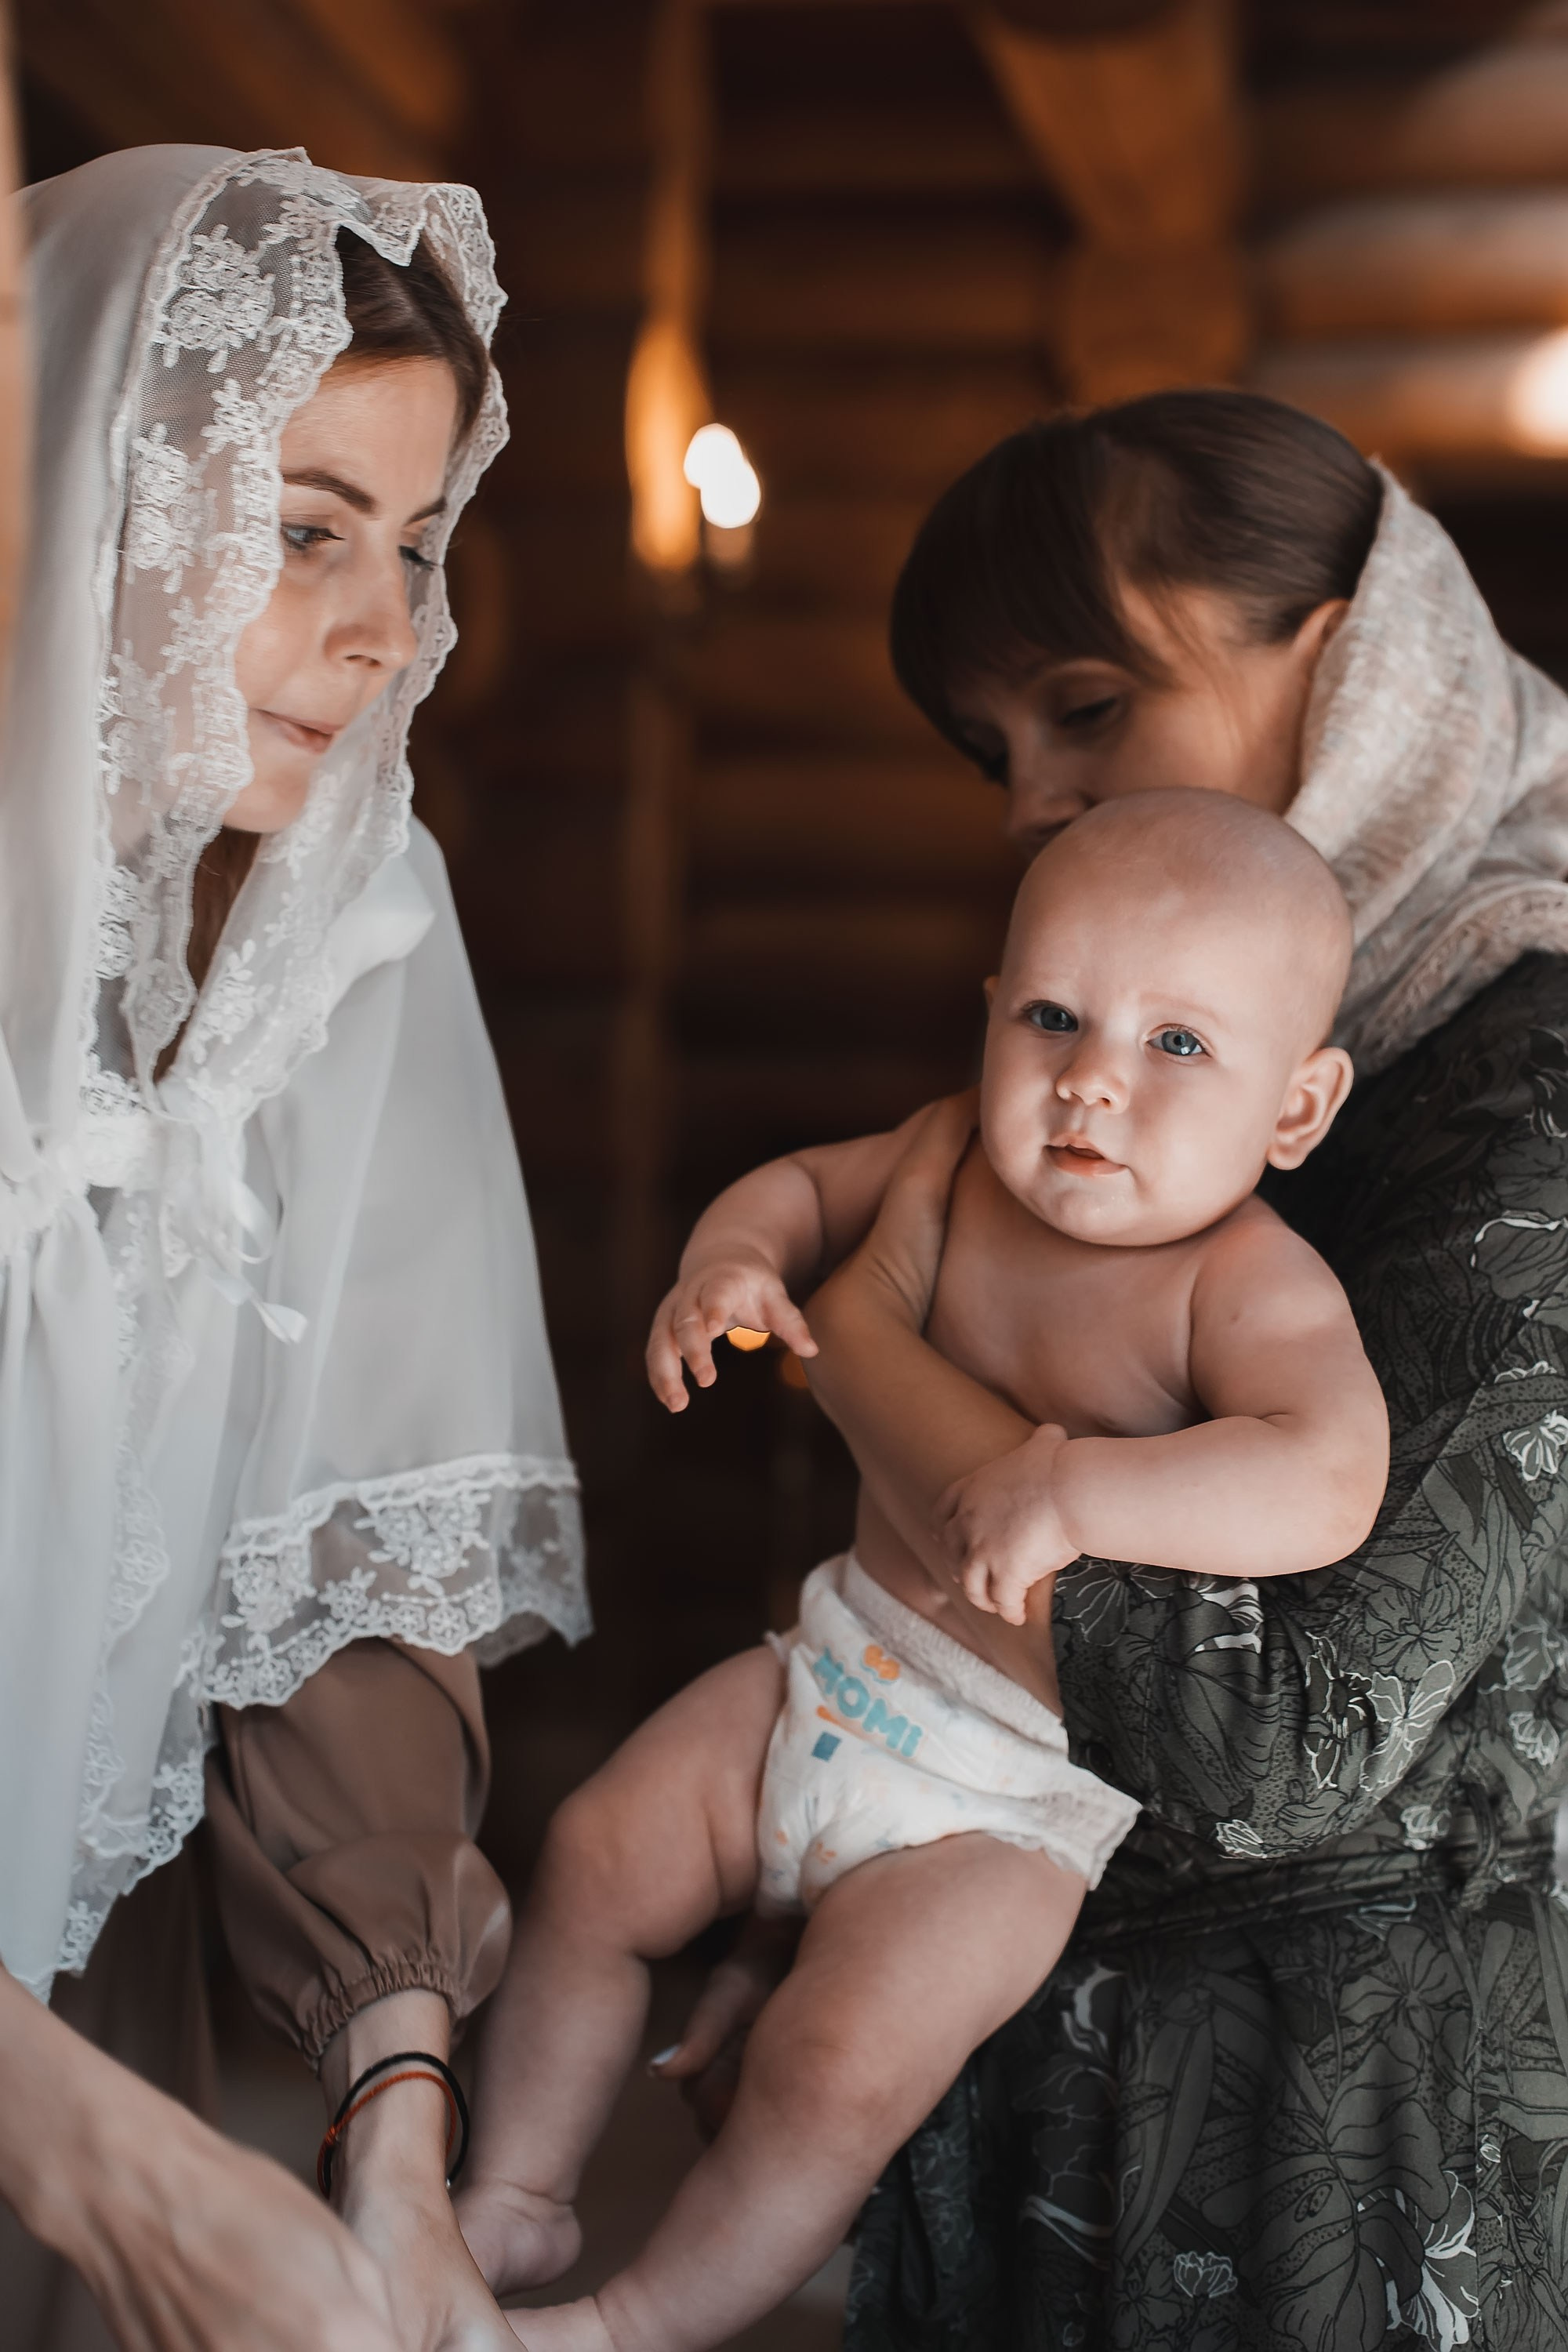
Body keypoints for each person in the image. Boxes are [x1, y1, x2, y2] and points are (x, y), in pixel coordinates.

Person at [715, 390, 1568, 2350]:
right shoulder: (1134, 1050)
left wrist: (847, 1352)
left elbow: (1294, 1729)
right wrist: (849, 1830)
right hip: (1035, 2040)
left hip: (1330, 2158)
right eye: (996, 750)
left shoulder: (1531, 1074)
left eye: (1086, 708)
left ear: (1360, 669)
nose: (1030, 800)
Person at [454, 790, 1389, 2352]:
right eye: (1052, 1016)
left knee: (831, 2074)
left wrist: (1084, 1487)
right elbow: (799, 1190)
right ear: (989, 1017)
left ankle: (627, 2320)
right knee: (597, 1851)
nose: (1090, 1079)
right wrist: (729, 1264)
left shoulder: (1243, 1283)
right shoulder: (947, 1155)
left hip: (1003, 1807)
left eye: (1175, 1046)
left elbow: (1328, 1478)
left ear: (1293, 1110)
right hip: (826, 1660)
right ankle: (517, 2191)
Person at [0, 146, 588, 2352]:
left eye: (419, 549)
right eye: (303, 525)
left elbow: (336, 1581)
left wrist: (400, 2124)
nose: (384, 629)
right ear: (77, 489)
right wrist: (89, 2157)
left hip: (104, 2017)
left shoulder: (342, 931)